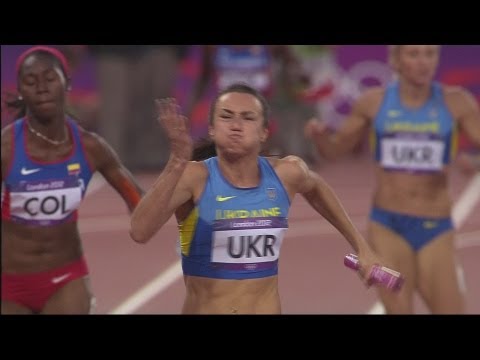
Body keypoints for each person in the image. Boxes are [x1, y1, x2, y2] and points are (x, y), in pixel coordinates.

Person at [130, 82, 391, 314]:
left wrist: (362, 248)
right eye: (226, 117)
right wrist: (176, 161)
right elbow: (139, 231)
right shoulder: (194, 177)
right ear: (211, 128)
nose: (235, 126)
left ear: (264, 132)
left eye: (247, 118)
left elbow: (316, 188)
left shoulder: (286, 174)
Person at [304, 45, 480, 314]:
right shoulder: (373, 102)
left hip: (436, 228)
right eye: (414, 54)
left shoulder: (456, 102)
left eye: (429, 54)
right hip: (388, 228)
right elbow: (334, 151)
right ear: (396, 60)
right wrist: (320, 138)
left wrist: (475, 162)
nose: (423, 62)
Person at [1, 46, 144, 314]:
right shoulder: (7, 149)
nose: (42, 88)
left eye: (50, 78)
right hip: (9, 284)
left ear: (66, 82)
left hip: (65, 279)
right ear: (20, 89)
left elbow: (140, 204)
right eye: (31, 81)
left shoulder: (91, 148)